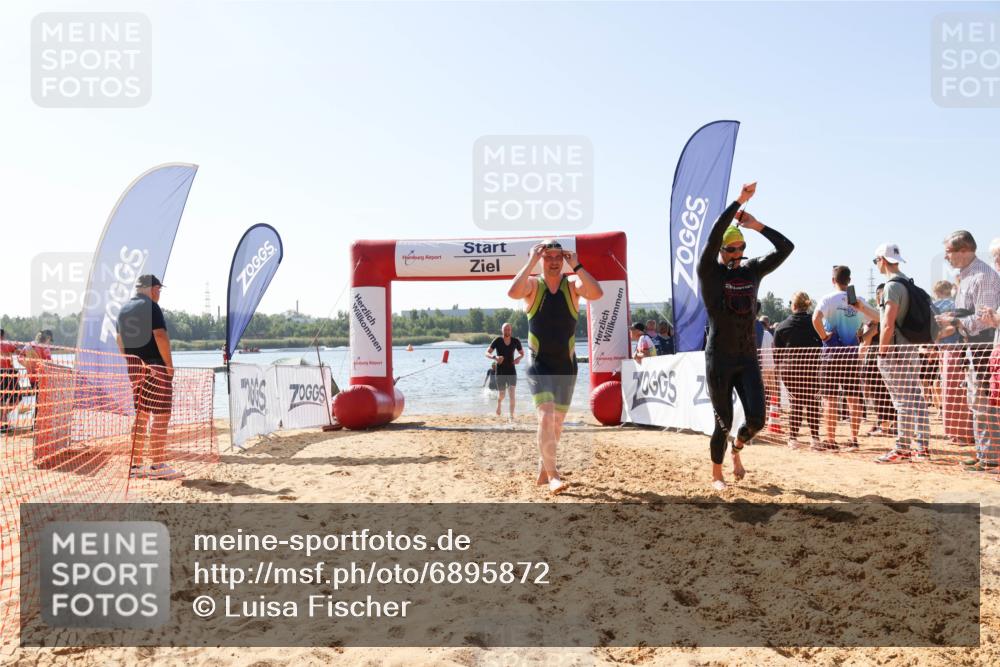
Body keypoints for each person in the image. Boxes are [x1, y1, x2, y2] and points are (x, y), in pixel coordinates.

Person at [697, 182, 794, 490]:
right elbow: (714, 236)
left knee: (757, 420)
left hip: (747, 357)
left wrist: (755, 225)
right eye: (732, 249)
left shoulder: (752, 270)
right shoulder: (709, 272)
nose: (738, 253)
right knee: (722, 420)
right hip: (719, 359)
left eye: (741, 248)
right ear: (721, 251)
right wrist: (738, 201)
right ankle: (717, 474)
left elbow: (786, 248)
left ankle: (737, 450)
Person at [508, 240, 602, 494]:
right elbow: (512, 293)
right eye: (547, 256)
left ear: (563, 259)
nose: (552, 261)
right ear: (540, 259)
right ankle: (553, 476)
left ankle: (543, 471)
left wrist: (577, 265)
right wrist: (530, 261)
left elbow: (596, 293)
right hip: (538, 363)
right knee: (546, 415)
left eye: (557, 257)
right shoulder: (532, 286)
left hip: (566, 366)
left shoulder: (572, 286)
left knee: (557, 422)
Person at [937, 231, 1000, 472]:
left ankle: (990, 455)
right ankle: (984, 450)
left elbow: (985, 318)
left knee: (984, 402)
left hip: (982, 346)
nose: (946, 258)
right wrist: (953, 317)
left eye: (948, 253)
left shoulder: (983, 276)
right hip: (971, 347)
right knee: (976, 402)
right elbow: (969, 312)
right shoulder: (966, 276)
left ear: (964, 251)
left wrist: (955, 323)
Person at [117, 274, 182, 480]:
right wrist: (169, 366)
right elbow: (160, 335)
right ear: (153, 288)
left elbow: (119, 339)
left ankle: (135, 467)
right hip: (155, 366)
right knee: (161, 416)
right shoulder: (151, 306)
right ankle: (158, 466)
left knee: (141, 415)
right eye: (159, 290)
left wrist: (130, 362)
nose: (159, 294)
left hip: (135, 368)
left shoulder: (123, 309)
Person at [872, 244, 931, 463]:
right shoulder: (906, 283)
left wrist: (882, 352)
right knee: (916, 397)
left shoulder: (891, 287)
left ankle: (902, 447)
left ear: (882, 260)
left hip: (895, 351)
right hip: (910, 348)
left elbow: (887, 324)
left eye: (875, 261)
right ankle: (922, 447)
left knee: (902, 401)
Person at [812, 265, 879, 451]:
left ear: (833, 280)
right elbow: (876, 321)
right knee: (853, 398)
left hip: (831, 355)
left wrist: (824, 336)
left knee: (830, 399)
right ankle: (854, 438)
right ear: (849, 280)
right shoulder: (860, 300)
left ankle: (831, 440)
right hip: (851, 354)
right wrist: (866, 337)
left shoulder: (827, 299)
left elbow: (815, 319)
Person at [772, 292, 822, 449]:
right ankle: (815, 439)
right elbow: (823, 343)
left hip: (790, 370)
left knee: (796, 402)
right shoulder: (815, 323)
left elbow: (776, 353)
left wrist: (778, 370)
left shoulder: (782, 326)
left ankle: (793, 438)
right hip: (813, 368)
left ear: (792, 306)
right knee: (813, 402)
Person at [859, 284, 897, 438]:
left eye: (883, 294)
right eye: (879, 294)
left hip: (883, 356)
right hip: (873, 357)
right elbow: (864, 338)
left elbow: (867, 338)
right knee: (877, 393)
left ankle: (888, 423)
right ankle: (882, 421)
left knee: (884, 392)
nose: (880, 297)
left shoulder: (887, 313)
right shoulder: (874, 315)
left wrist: (873, 329)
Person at [486, 322, 524, 420]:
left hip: (512, 371)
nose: (507, 331)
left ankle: (511, 416)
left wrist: (518, 358)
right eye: (505, 329)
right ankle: (499, 403)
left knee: (512, 394)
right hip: (500, 372)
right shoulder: (497, 340)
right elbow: (487, 353)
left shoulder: (516, 341)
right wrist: (495, 357)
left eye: (509, 329)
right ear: (502, 330)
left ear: (511, 330)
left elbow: (522, 353)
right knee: (502, 395)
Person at [0, 328, 23, 435]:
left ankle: (3, 421)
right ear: (3, 335)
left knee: (3, 401)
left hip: (4, 373)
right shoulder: (6, 343)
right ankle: (4, 422)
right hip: (8, 373)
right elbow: (19, 352)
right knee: (17, 398)